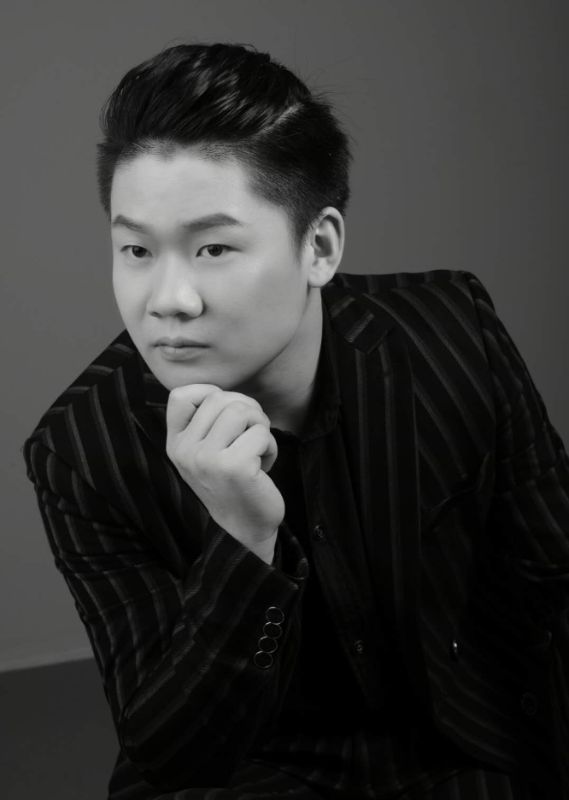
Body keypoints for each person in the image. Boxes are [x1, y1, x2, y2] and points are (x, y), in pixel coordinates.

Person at [22, 43, 569, 800]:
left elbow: (553, 573)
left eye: (213, 247)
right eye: (136, 249)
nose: (168, 300)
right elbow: (169, 753)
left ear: (319, 246)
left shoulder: (451, 330)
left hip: (464, 739)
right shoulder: (81, 447)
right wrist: (242, 538)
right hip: (253, 767)